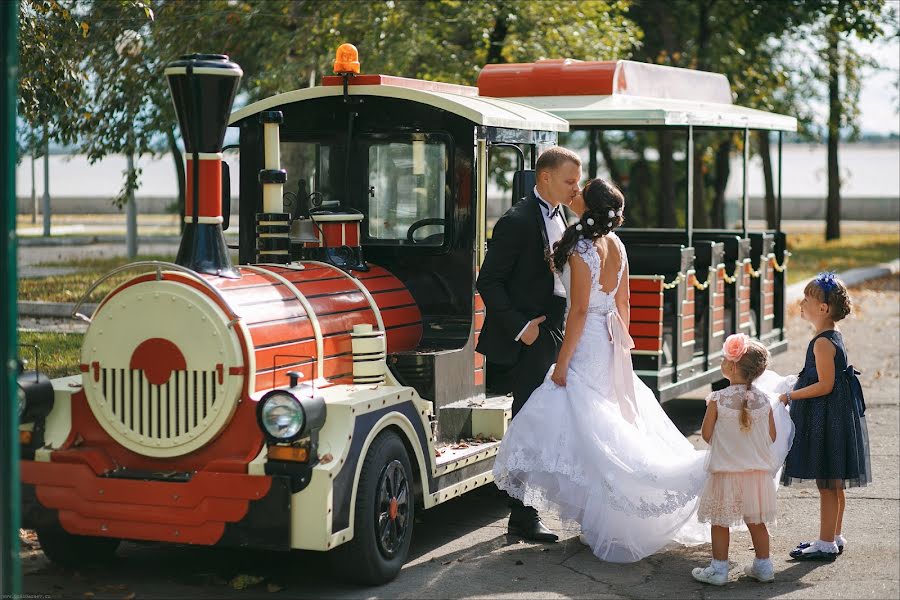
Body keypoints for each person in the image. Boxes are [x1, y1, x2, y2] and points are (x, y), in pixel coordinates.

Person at [492, 177, 711, 562]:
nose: (572, 193)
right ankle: (604, 516)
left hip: (586, 339)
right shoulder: (617, 245)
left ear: (587, 206)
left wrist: (562, 364)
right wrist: (622, 349)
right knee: (601, 424)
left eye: (579, 191)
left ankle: (602, 513)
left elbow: (577, 311)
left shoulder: (581, 248)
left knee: (584, 421)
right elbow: (623, 302)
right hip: (609, 340)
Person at [476, 146, 582, 543]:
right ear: (545, 178)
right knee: (528, 424)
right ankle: (522, 516)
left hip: (556, 330)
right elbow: (488, 281)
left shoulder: (560, 215)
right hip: (530, 338)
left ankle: (530, 511)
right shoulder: (517, 220)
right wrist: (523, 328)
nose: (575, 188)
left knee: (548, 422)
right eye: (569, 181)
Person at [777, 272, 871, 561]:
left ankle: (825, 542)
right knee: (834, 482)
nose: (801, 304)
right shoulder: (831, 335)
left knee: (827, 484)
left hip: (827, 419)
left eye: (807, 300)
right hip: (835, 415)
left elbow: (825, 385)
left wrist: (791, 395)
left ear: (823, 308)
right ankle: (834, 534)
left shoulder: (821, 343)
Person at [692, 334, 781, 586]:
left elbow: (707, 435)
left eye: (724, 358)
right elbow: (771, 436)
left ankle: (719, 569)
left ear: (731, 367)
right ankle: (764, 566)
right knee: (757, 522)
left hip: (725, 473)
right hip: (756, 475)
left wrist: (728, 446)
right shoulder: (764, 400)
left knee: (720, 522)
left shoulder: (718, 399)